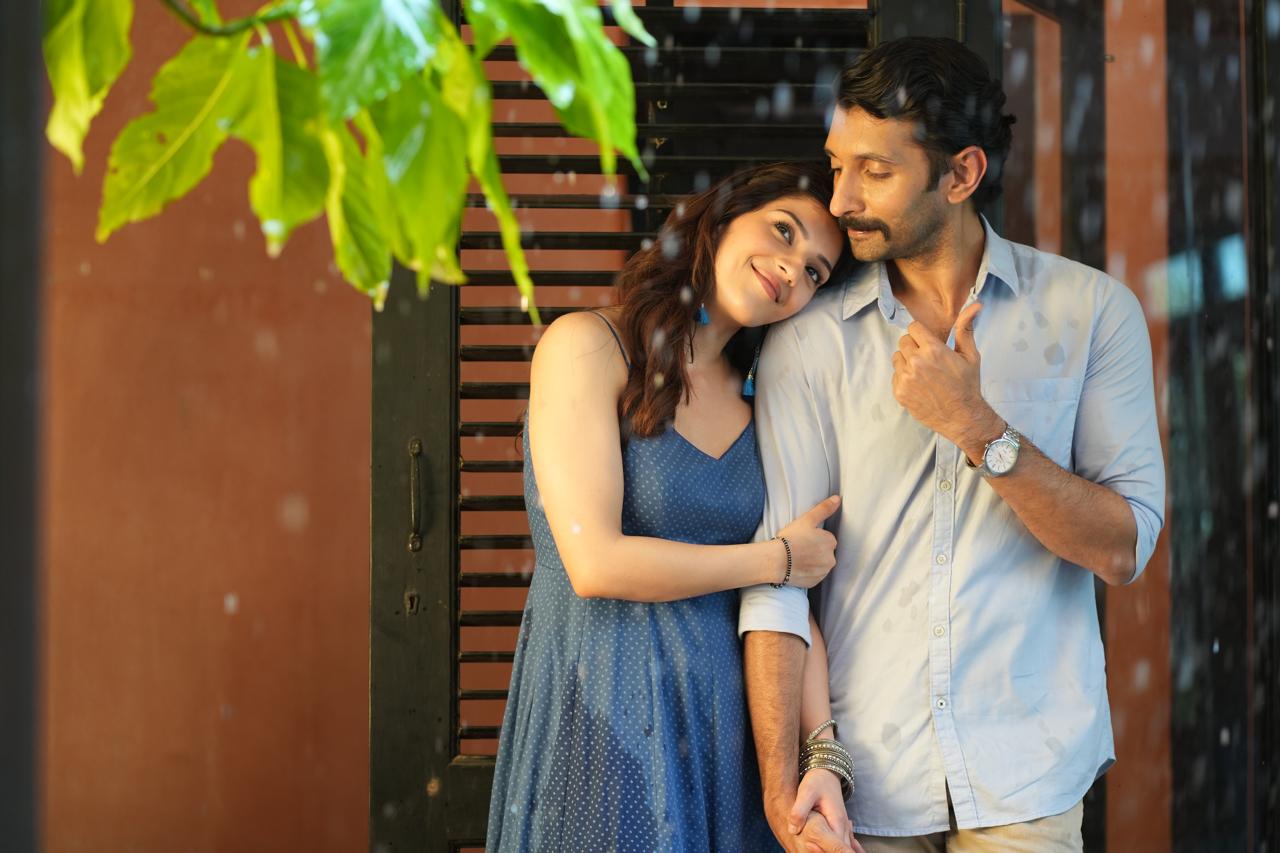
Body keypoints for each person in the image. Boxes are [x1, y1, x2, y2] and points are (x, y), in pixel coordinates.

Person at [740, 37, 1167, 853]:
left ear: (962, 174)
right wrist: (782, 785)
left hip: (1027, 783)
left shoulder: (1090, 313)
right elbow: (779, 578)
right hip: (860, 789)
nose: (840, 200)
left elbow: (1123, 547)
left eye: (875, 171)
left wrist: (978, 427)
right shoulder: (809, 341)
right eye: (836, 166)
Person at [486, 162, 851, 852]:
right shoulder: (588, 346)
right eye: (783, 231)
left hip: (725, 733)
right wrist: (773, 559)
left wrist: (821, 749)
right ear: (721, 216)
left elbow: (790, 592)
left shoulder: (763, 399)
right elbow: (595, 562)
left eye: (815, 272)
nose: (792, 269)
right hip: (601, 711)